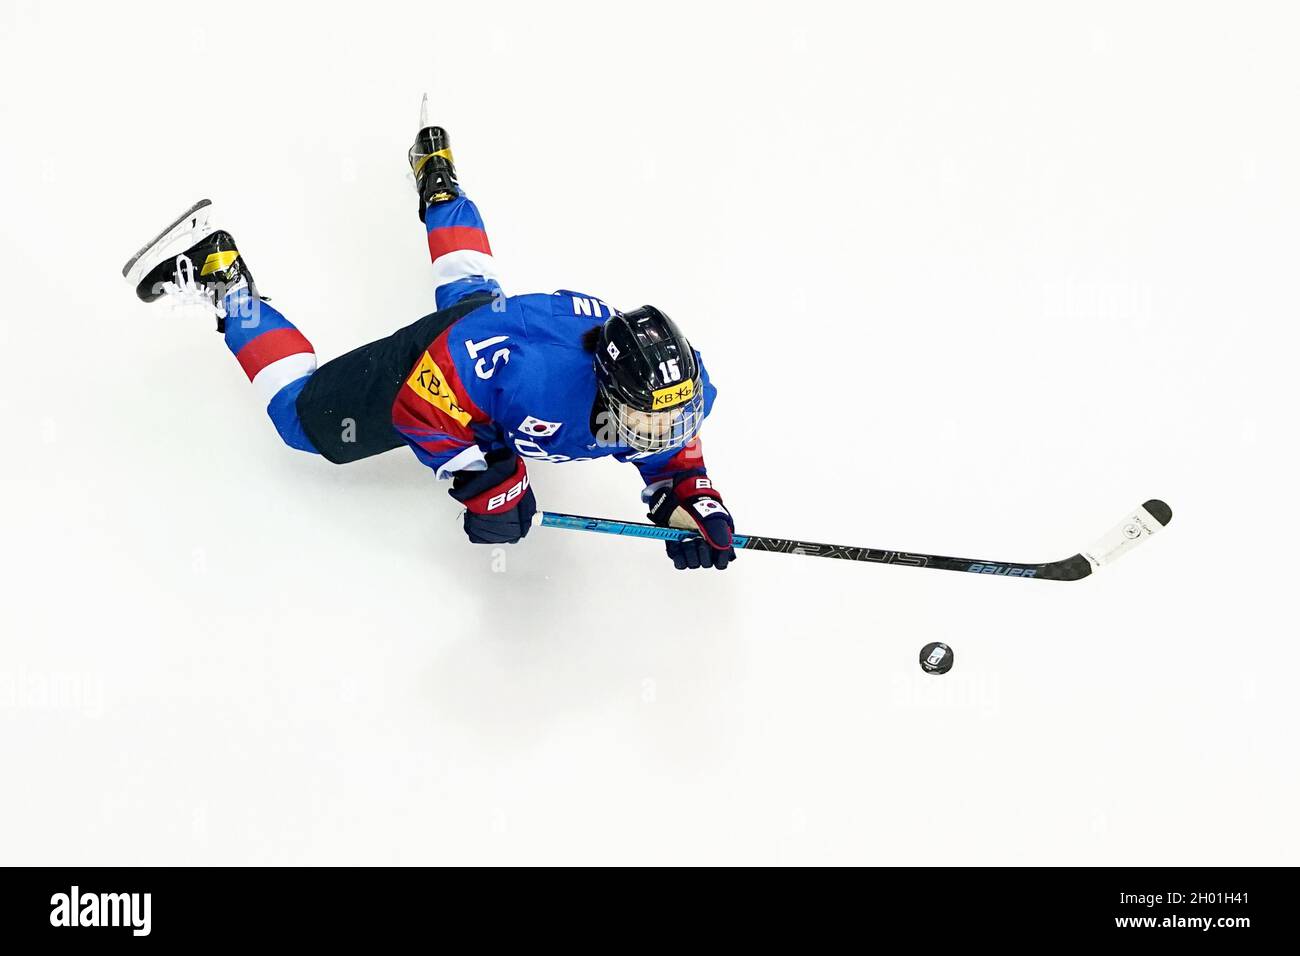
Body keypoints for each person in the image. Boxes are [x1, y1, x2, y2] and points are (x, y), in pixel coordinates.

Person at [122, 100, 736, 570]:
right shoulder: (531, 373)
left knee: (474, 292)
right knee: (303, 421)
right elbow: (422, 407)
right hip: (448, 359)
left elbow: (669, 452)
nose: (668, 433)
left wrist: (690, 500)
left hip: (501, 339)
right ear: (604, 384)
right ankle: (222, 276)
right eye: (657, 424)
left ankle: (438, 180)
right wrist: (479, 477)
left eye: (675, 419)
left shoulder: (666, 390)